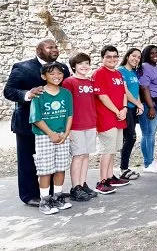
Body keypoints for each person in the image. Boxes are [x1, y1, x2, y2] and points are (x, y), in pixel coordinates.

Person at [4, 39, 70, 206]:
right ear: (39, 50)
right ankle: (30, 195)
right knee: (28, 161)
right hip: (28, 124)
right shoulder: (22, 67)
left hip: (56, 126)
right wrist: (27, 94)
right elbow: (9, 91)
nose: (54, 49)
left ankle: (52, 194)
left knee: (54, 161)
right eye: (50, 47)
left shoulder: (63, 69)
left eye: (56, 47)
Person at [29, 62, 74, 214]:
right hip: (44, 136)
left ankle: (58, 197)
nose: (56, 76)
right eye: (52, 73)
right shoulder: (39, 94)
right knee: (46, 169)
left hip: (62, 135)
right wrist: (51, 133)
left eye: (59, 73)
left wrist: (66, 133)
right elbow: (36, 118)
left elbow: (69, 115)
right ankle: (45, 200)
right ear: (44, 76)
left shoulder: (66, 93)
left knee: (61, 167)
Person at [92, 45, 130, 194]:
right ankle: (102, 181)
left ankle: (110, 176)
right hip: (106, 116)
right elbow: (102, 96)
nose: (112, 59)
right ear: (103, 58)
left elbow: (123, 93)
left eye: (115, 56)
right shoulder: (99, 73)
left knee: (113, 149)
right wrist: (117, 110)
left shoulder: (118, 74)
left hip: (120, 115)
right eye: (109, 57)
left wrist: (125, 108)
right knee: (106, 150)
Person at [62, 53, 98, 201]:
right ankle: (75, 187)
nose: (84, 66)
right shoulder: (69, 82)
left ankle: (83, 184)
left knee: (86, 155)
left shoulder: (90, 82)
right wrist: (67, 128)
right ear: (74, 66)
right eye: (80, 64)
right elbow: (66, 106)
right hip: (75, 126)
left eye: (86, 63)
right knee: (77, 156)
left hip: (90, 124)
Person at [138, 45, 157, 173]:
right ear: (146, 55)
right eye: (151, 53)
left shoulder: (156, 66)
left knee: (152, 134)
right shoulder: (144, 67)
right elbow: (144, 88)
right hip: (150, 104)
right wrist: (150, 107)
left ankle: (151, 160)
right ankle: (147, 163)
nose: (155, 55)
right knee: (148, 134)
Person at [117, 48, 144, 180]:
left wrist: (139, 104)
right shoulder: (121, 71)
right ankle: (123, 168)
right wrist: (138, 104)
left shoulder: (133, 72)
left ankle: (125, 167)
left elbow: (136, 90)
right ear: (127, 56)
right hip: (126, 108)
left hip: (134, 108)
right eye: (134, 56)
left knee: (130, 138)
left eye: (138, 57)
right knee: (130, 138)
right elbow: (125, 91)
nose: (136, 59)